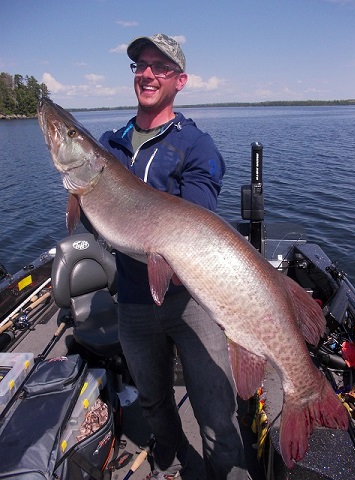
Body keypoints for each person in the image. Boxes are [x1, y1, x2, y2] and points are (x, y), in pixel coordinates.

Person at [99, 34, 249, 480]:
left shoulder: (197, 146)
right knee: (153, 401)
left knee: (218, 414)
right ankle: (169, 456)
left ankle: (224, 472)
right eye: (141, 65)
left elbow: (196, 222)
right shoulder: (111, 144)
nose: (147, 73)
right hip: (133, 300)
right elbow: (98, 219)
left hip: (190, 301)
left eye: (160, 67)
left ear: (180, 81)